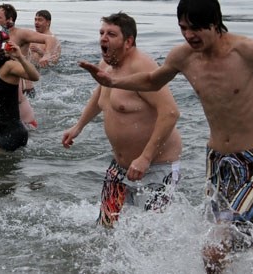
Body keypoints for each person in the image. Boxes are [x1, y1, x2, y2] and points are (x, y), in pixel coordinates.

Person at [80, 0, 253, 273]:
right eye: (183, 28)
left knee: (214, 248)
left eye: (195, 28)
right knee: (225, 238)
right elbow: (151, 80)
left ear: (215, 22)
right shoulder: (184, 56)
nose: (189, 35)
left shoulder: (247, 51)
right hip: (218, 162)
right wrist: (110, 83)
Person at [62, 12, 182, 227]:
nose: (103, 38)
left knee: (152, 236)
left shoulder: (142, 67)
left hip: (155, 167)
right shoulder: (106, 65)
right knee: (106, 228)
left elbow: (171, 112)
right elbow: (100, 94)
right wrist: (78, 126)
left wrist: (145, 158)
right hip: (119, 167)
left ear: (128, 41)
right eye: (101, 33)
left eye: (111, 34)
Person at [22, 9, 62, 98]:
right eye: (35, 19)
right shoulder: (32, 37)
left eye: (40, 20)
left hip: (44, 74)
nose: (36, 22)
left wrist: (41, 52)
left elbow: (54, 62)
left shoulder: (53, 40)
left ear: (48, 22)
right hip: (31, 69)